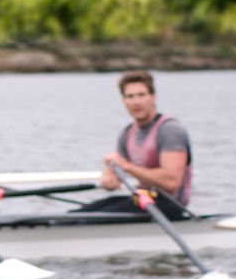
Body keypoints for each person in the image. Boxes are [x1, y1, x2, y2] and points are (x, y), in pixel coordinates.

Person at [78, 70, 193, 220]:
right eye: (130, 97)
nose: (136, 102)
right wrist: (110, 178)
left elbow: (171, 181)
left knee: (83, 221)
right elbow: (116, 174)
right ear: (123, 101)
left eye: (141, 95)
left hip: (169, 207)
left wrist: (126, 166)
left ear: (153, 97)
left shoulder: (169, 130)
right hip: (142, 200)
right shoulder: (127, 133)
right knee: (74, 216)